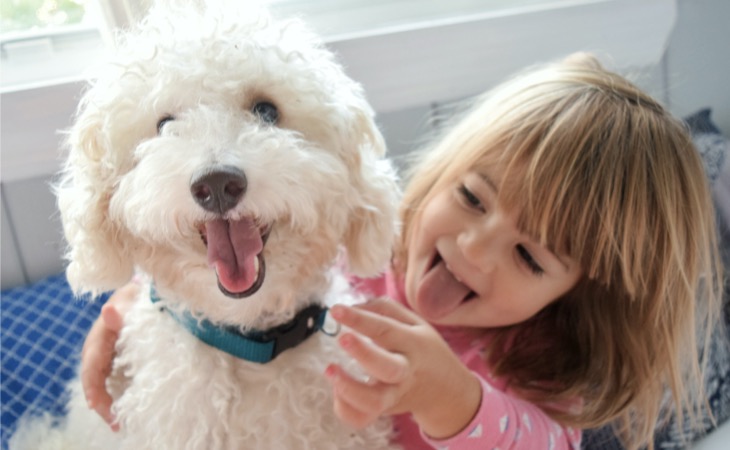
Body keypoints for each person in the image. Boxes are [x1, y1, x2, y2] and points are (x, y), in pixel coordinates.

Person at [80, 53, 723, 450]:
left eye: (530, 257)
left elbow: (549, 444)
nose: (473, 249)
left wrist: (449, 397)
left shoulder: (543, 364)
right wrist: (135, 301)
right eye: (472, 197)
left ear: (575, 294)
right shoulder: (368, 246)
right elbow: (250, 262)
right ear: (443, 172)